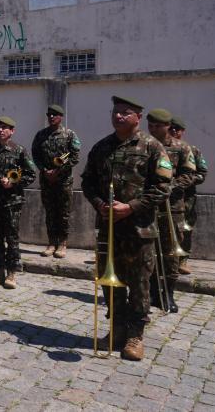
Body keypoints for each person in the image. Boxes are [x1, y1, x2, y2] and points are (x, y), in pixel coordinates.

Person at [81, 95, 172, 361]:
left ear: (138, 117)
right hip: (109, 229)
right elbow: (87, 182)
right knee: (111, 283)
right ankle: (117, 329)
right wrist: (99, 203)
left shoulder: (152, 147)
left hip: (139, 230)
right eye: (115, 112)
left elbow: (164, 188)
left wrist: (131, 207)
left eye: (125, 112)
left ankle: (135, 335)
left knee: (140, 283)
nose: (118, 116)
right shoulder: (101, 147)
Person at [0, 116, 37, 289]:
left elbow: (31, 174)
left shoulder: (19, 151)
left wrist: (14, 183)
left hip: (12, 202)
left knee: (11, 238)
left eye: (5, 127)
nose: (1, 130)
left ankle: (11, 273)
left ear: (12, 131)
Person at [147, 108, 196, 313]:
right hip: (147, 206)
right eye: (150, 125)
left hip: (172, 208)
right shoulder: (144, 146)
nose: (153, 129)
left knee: (170, 254)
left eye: (158, 125)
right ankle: (147, 293)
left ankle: (167, 294)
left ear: (168, 126)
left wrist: (169, 186)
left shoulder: (182, 148)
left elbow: (190, 175)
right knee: (147, 252)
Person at [31, 104, 81, 258]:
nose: (51, 117)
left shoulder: (70, 135)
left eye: (54, 114)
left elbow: (75, 156)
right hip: (46, 180)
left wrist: (58, 171)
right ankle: (52, 243)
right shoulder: (41, 135)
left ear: (61, 117)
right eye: (49, 114)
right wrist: (44, 170)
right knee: (50, 212)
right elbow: (35, 154)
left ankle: (63, 244)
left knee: (63, 213)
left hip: (63, 180)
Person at [169, 117, 208, 274]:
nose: (173, 131)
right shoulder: (160, 148)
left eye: (176, 129)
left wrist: (183, 181)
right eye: (170, 128)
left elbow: (202, 174)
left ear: (182, 131)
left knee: (185, 228)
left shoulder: (192, 150)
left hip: (186, 197)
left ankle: (182, 260)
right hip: (164, 197)